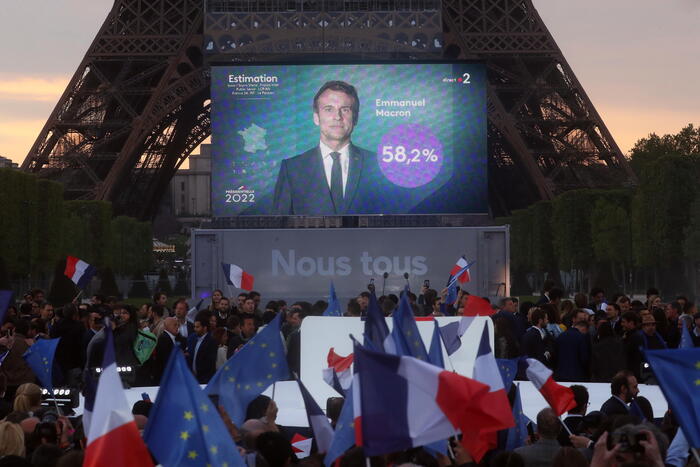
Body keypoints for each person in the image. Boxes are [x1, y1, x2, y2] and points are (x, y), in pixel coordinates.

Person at [272, 80, 385, 215]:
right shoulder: (292, 169)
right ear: (316, 118)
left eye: (345, 109)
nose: (337, 117)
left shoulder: (378, 165)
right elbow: (280, 225)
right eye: (328, 109)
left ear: (355, 118)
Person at [554, 309, 590, 381]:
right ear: (573, 319)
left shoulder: (561, 335)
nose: (583, 321)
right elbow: (584, 358)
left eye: (584, 319)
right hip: (577, 376)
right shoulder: (582, 337)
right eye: (580, 319)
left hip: (561, 375)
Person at [153, 317, 186, 385]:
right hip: (164, 377)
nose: (177, 327)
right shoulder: (164, 339)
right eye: (175, 325)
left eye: (178, 325)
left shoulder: (173, 338)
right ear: (167, 326)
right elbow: (167, 359)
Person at [187, 311, 217, 384]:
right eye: (194, 327)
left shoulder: (211, 341)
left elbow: (210, 364)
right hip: (192, 379)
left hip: (205, 380)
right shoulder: (192, 339)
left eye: (197, 327)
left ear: (205, 328)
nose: (195, 329)